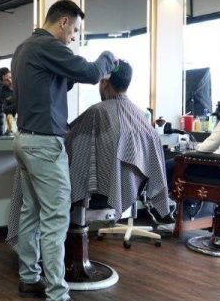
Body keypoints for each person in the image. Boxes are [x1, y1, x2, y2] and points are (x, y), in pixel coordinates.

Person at [11, 0, 116, 301]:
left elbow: (50, 85)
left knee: (31, 211)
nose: (74, 37)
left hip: (24, 139)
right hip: (44, 144)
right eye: (75, 30)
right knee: (56, 218)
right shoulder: (48, 45)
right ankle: (58, 298)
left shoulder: (24, 49)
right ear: (63, 22)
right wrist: (108, 57)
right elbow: (91, 72)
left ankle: (30, 277)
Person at [67, 60, 172, 220]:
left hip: (98, 195)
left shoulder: (96, 112)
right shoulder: (142, 117)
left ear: (104, 82)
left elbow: (67, 144)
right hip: (134, 191)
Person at [0, 67, 16, 135]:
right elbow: (3, 110)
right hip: (10, 126)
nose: (10, 81)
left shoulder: (20, 86)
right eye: (6, 80)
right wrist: (18, 104)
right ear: (2, 82)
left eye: (10, 77)